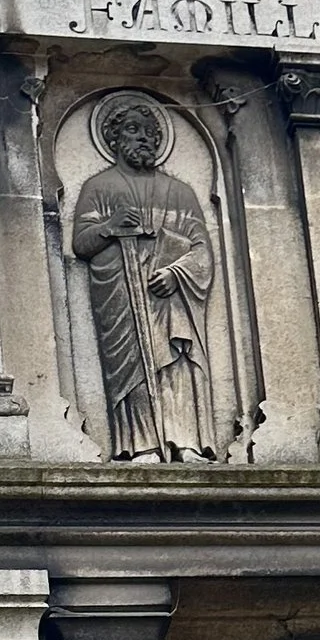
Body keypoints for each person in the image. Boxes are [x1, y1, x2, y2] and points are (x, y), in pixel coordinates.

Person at [71, 94, 220, 461]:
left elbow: (201, 249)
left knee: (179, 360)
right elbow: (81, 244)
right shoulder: (98, 188)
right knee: (134, 365)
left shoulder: (180, 192)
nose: (144, 139)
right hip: (123, 297)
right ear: (115, 140)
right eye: (132, 130)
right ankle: (142, 444)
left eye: (150, 132)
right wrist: (108, 227)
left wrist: (176, 273)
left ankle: (185, 442)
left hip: (172, 298)